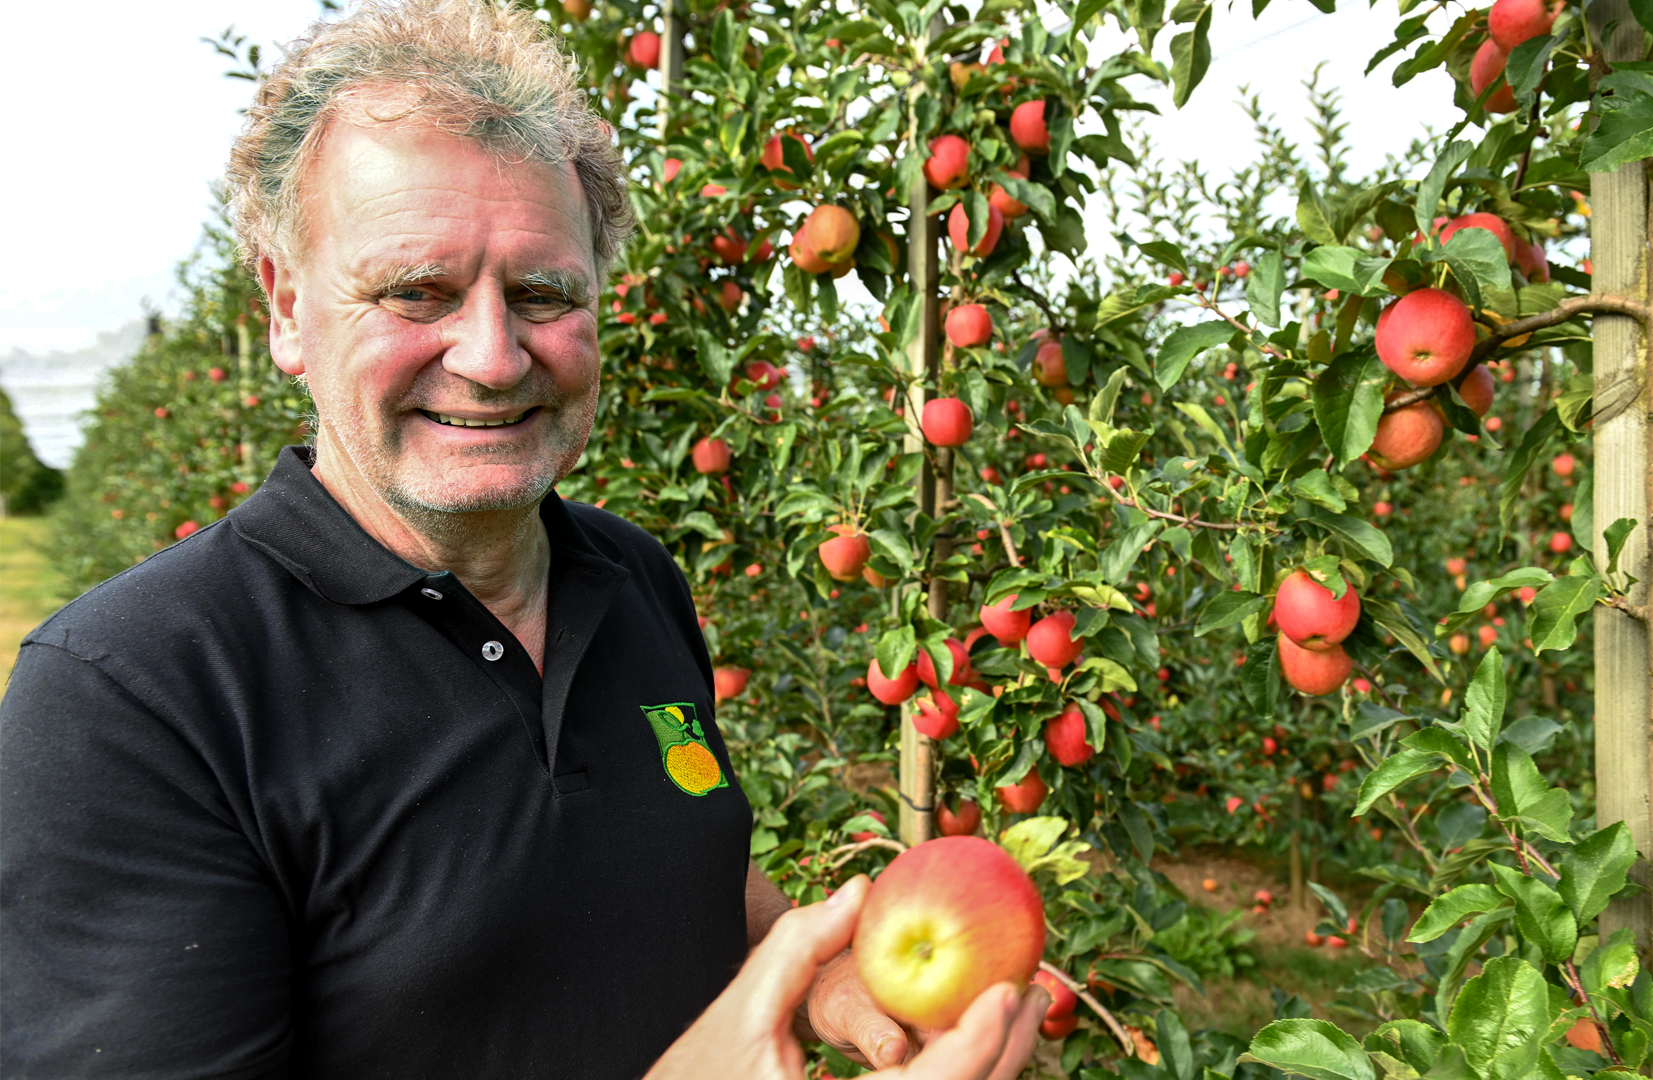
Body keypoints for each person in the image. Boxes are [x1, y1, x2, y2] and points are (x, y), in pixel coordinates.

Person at [0, 1, 1046, 1076]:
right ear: (285, 308)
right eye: (417, 293)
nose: (494, 358)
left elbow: (664, 861)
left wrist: (816, 974)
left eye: (543, 293)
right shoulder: (133, 699)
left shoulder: (632, 576)